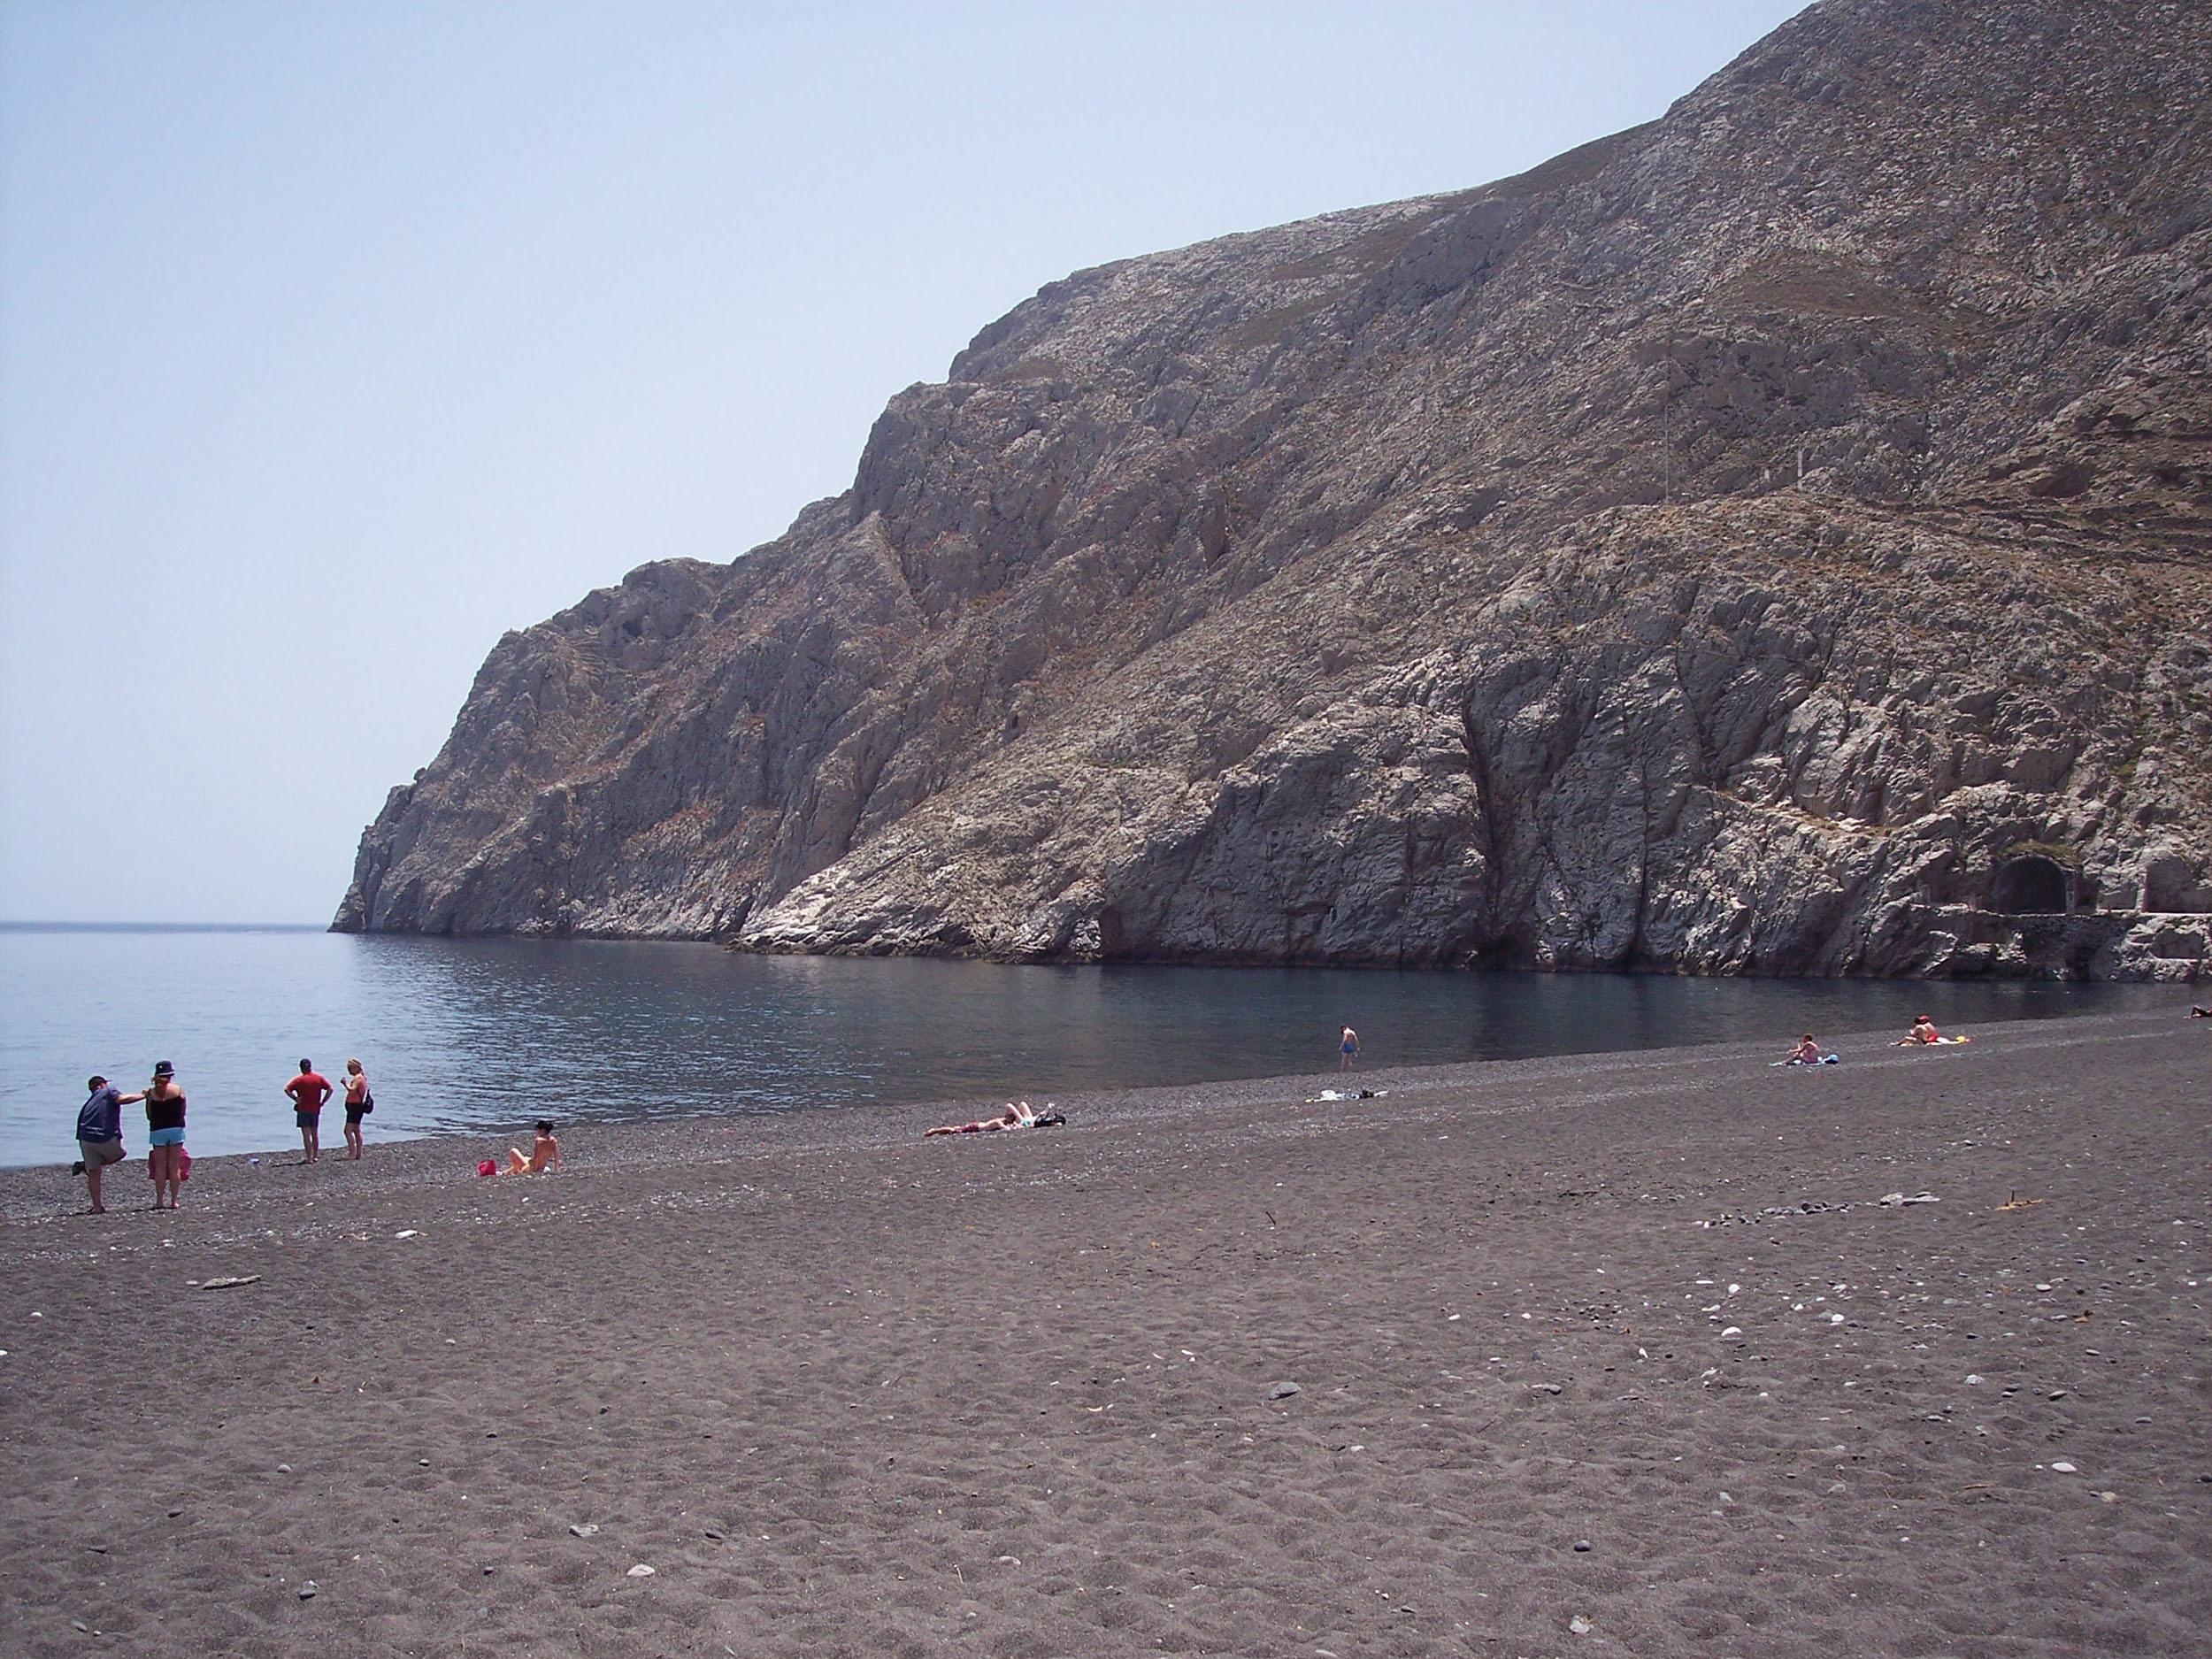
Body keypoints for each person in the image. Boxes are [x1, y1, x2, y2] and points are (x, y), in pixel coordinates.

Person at [73, 1073, 142, 1214]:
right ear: (102, 1084)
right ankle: (84, 1165)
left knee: (94, 1172)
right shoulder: (109, 1091)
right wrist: (144, 1095)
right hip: (101, 1136)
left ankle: (97, 1207)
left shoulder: (89, 1102)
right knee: (120, 1154)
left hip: (84, 1138)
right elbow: (122, 1099)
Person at [142, 1061, 188, 1210]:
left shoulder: (151, 1093)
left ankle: (159, 1201)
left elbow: (149, 1115)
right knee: (175, 1167)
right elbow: (183, 1111)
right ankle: (174, 1201)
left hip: (157, 1130)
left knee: (160, 1167)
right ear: (171, 1075)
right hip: (175, 1129)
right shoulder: (179, 1090)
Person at [285, 1058, 334, 1164]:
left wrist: (295, 1099)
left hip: (303, 1109)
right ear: (310, 1067)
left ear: (301, 1068)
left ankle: (309, 1158)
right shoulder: (318, 1078)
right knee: (315, 1133)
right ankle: (315, 1156)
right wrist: (323, 1101)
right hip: (315, 1108)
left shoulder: (299, 1080)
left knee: (306, 1135)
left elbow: (287, 1090)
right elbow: (330, 1089)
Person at [926, 1101, 1035, 1137]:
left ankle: (936, 1131)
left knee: (955, 1129)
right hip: (975, 1128)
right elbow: (1006, 1129)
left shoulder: (999, 1121)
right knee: (955, 1130)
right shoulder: (997, 1122)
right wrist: (1017, 1128)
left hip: (977, 1126)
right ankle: (935, 1131)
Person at [341, 1058, 373, 1160]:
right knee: (356, 1130)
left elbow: (352, 1090)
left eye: (350, 1068)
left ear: (356, 1067)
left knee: (347, 1131)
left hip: (354, 1107)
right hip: (356, 1106)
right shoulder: (362, 1077)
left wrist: (344, 1083)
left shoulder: (358, 1078)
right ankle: (358, 1153)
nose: (349, 1070)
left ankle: (352, 1152)